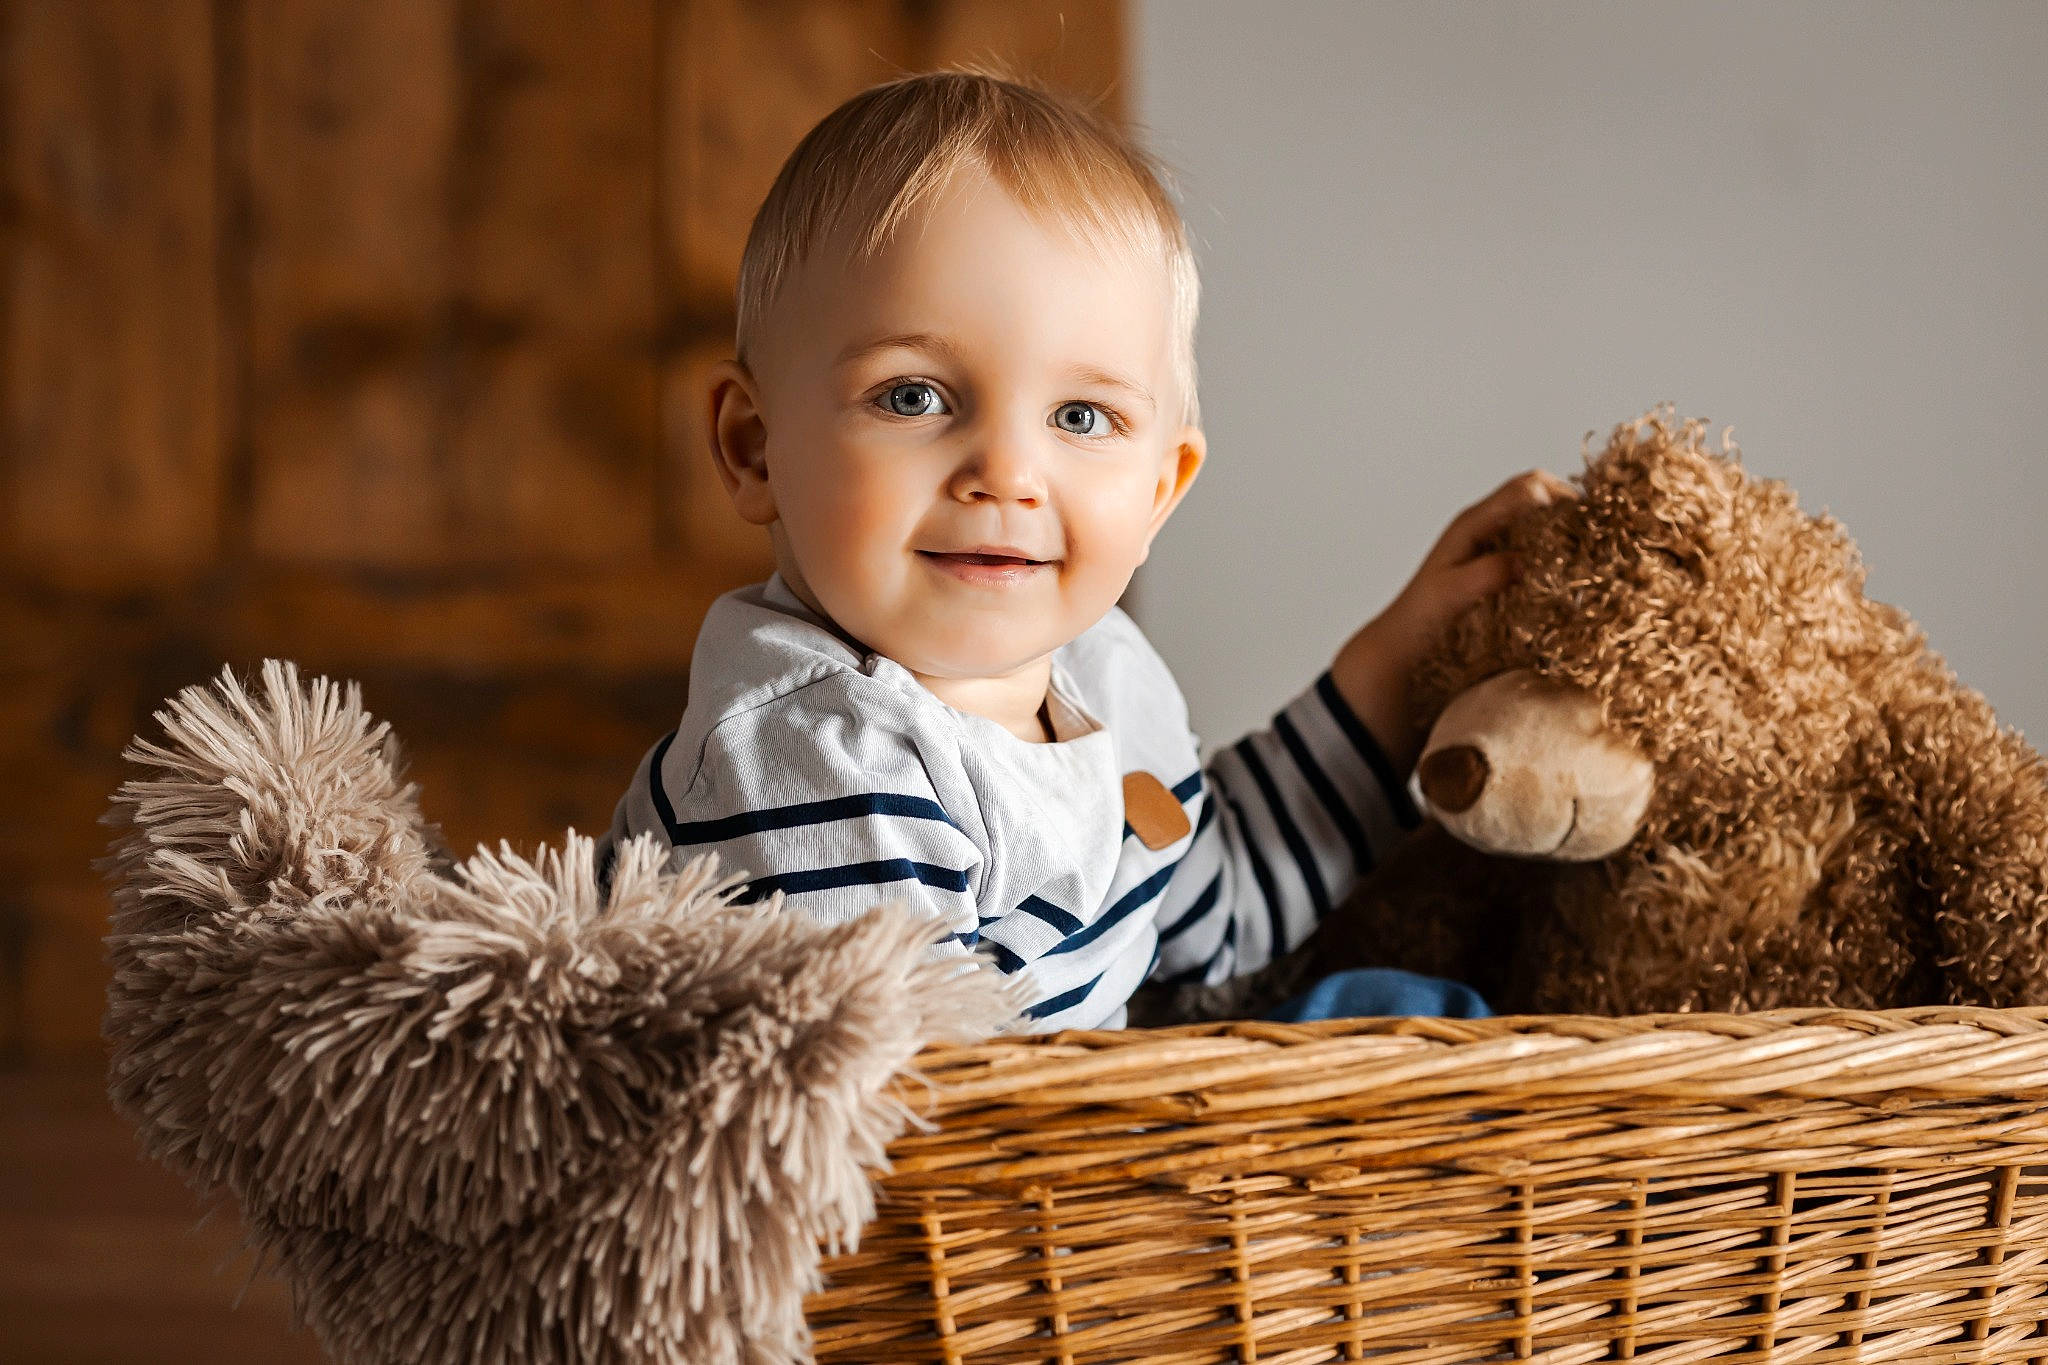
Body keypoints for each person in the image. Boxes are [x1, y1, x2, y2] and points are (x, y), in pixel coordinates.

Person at [596, 70, 1564, 1030]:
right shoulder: (813, 757)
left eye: (1080, 416)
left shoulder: (1102, 673)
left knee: (1403, 1016)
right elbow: (922, 1113)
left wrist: (1398, 661)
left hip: (1080, 1100)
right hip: (963, 1126)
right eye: (913, 396)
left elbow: (1215, 917)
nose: (1008, 473)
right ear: (754, 448)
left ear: (1157, 493)